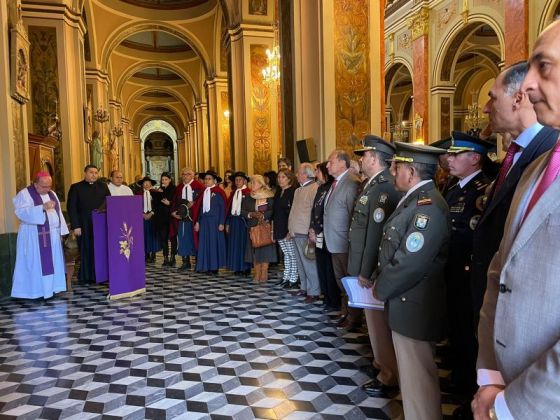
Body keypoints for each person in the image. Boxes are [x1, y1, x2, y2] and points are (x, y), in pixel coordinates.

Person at [472, 21, 560, 419]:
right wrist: (491, 377)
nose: (527, 86)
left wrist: (510, 406)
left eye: (544, 66)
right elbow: (500, 271)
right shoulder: (537, 167)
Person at [471, 61, 558, 323]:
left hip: (522, 310)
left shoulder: (549, 153)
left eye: (492, 98)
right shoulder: (516, 154)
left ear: (518, 99)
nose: (486, 108)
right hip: (494, 298)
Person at [373, 142, 450, 420]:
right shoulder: (416, 200)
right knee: (411, 377)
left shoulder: (427, 208)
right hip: (406, 301)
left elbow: (409, 261)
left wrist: (380, 289)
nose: (393, 173)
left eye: (397, 168)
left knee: (418, 378)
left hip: (414, 303)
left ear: (411, 171)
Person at [347, 136, 402, 398]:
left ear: (375, 157)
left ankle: (388, 374)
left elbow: (375, 234)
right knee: (373, 322)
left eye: (364, 155)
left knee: (379, 324)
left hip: (371, 268)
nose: (360, 159)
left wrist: (365, 271)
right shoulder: (371, 186)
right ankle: (381, 365)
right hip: (363, 264)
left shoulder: (384, 187)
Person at [443, 132, 493, 414]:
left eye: (456, 155)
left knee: (466, 329)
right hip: (451, 268)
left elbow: (472, 234)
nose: (449, 159)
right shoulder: (454, 188)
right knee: (455, 326)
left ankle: (466, 385)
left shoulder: (481, 189)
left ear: (474, 158)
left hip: (466, 271)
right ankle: (458, 373)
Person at [11, 172, 68, 299]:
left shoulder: (52, 194)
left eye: (49, 186)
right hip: (33, 236)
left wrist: (61, 231)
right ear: (35, 184)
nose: (47, 189)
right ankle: (34, 292)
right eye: (44, 186)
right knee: (35, 264)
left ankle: (52, 289)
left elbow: (59, 213)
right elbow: (20, 212)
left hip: (52, 236)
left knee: (53, 263)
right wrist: (41, 207)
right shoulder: (25, 194)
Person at [323, 149, 360, 329]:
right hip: (334, 242)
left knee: (349, 280)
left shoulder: (351, 183)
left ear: (342, 163)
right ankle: (345, 312)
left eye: (331, 162)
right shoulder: (336, 183)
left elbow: (355, 216)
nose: (327, 165)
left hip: (345, 242)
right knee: (341, 281)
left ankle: (353, 317)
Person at [67, 164, 110, 284]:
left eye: (96, 173)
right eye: (91, 172)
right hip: (84, 225)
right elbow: (72, 208)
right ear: (85, 173)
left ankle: (102, 275)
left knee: (100, 249)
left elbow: (109, 203)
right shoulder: (76, 187)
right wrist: (75, 226)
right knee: (86, 250)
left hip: (101, 224)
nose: (94, 175)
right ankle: (86, 276)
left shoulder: (103, 187)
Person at [288, 163, 320, 302]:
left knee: (309, 262)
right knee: (300, 263)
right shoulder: (297, 190)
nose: (296, 175)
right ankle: (304, 287)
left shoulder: (314, 188)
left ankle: (314, 291)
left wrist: (311, 230)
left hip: (305, 231)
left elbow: (315, 212)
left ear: (306, 174)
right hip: (295, 231)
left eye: (298, 172)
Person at [309, 162, 338, 310]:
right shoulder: (320, 188)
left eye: (318, 171)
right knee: (321, 265)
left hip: (328, 233)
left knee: (329, 268)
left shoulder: (332, 187)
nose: (316, 175)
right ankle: (326, 296)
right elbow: (314, 210)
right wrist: (312, 229)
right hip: (318, 231)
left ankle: (333, 300)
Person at [241, 174, 277, 282]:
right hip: (252, 228)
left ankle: (264, 273)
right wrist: (251, 214)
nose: (251, 184)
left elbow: (272, 210)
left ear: (261, 184)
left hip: (265, 226)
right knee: (254, 251)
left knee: (265, 251)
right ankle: (257, 273)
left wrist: (263, 215)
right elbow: (242, 211)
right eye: (251, 182)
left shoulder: (269, 195)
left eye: (254, 182)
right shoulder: (248, 196)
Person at [192, 171, 227, 274]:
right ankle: (204, 266)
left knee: (213, 244)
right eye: (206, 179)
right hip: (204, 221)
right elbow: (199, 209)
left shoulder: (219, 192)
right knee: (204, 244)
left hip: (215, 222)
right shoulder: (202, 193)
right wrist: (197, 222)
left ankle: (214, 267)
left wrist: (222, 223)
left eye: (209, 179)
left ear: (215, 181)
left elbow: (223, 208)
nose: (207, 181)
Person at [170, 168, 204, 270]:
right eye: (184, 174)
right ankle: (185, 261)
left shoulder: (199, 187)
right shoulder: (179, 187)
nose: (185, 176)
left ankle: (198, 261)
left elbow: (202, 201)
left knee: (195, 238)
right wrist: (173, 212)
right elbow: (174, 201)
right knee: (183, 238)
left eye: (188, 174)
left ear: (192, 175)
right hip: (182, 218)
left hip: (194, 217)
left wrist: (194, 203)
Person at [272, 169, 298, 288]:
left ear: (289, 179)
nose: (280, 179)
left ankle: (293, 278)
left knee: (292, 254)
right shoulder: (278, 192)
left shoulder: (292, 192)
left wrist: (290, 230)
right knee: (286, 254)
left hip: (288, 227)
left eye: (283, 177)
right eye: (279, 177)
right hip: (278, 226)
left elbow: (293, 212)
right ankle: (286, 276)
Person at [225, 172, 251, 275]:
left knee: (244, 245)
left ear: (244, 181)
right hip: (234, 221)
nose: (238, 181)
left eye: (240, 179)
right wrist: (227, 222)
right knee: (235, 245)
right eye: (236, 180)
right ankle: (237, 267)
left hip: (243, 222)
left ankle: (245, 267)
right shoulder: (233, 193)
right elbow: (228, 208)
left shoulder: (248, 192)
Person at [151, 172, 177, 267]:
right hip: (162, 218)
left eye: (166, 179)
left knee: (173, 238)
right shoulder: (159, 190)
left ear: (170, 180)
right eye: (162, 179)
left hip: (171, 217)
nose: (164, 181)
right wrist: (157, 194)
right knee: (163, 238)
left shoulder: (174, 189)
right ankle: (165, 258)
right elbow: (156, 203)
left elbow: (176, 201)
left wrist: (169, 203)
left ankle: (173, 257)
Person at [137, 176, 160, 263]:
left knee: (152, 235)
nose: (146, 185)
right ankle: (146, 254)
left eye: (148, 183)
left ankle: (153, 255)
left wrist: (151, 213)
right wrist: (142, 214)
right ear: (142, 184)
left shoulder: (155, 193)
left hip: (152, 217)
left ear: (151, 184)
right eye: (145, 183)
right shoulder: (138, 194)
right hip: (141, 218)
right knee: (143, 235)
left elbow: (157, 205)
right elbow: (135, 205)